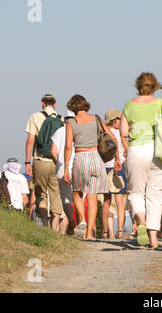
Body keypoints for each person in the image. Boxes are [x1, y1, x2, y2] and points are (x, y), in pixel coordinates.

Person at [120, 72, 162, 248]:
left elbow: (123, 132)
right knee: (156, 194)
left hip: (136, 150)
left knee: (136, 191)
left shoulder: (129, 105)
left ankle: (140, 220)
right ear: (155, 86)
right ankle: (154, 238)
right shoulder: (161, 104)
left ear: (138, 85)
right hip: (158, 150)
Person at [64, 94, 122, 240]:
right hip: (96, 158)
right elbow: (112, 138)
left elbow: (68, 146)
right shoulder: (96, 119)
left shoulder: (71, 122)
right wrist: (117, 158)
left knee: (77, 192)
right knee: (93, 196)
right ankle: (89, 233)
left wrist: (66, 167)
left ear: (71, 106)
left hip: (81, 157)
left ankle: (82, 219)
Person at [25, 93, 64, 230]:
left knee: (41, 194)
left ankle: (45, 225)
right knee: (56, 194)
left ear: (42, 103)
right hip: (56, 161)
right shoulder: (62, 119)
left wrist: (27, 162)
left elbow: (30, 141)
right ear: (55, 104)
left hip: (40, 160)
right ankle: (55, 227)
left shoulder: (35, 117)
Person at [102, 109, 128, 239]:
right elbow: (127, 149)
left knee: (106, 201)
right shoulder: (120, 134)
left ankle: (107, 232)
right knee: (120, 201)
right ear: (114, 120)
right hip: (119, 167)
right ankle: (120, 231)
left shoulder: (101, 132)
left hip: (105, 167)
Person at [51, 110, 77, 235]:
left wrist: (59, 163)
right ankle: (73, 224)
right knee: (74, 199)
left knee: (63, 199)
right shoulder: (78, 131)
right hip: (76, 167)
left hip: (61, 169)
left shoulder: (59, 131)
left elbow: (53, 151)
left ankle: (62, 231)